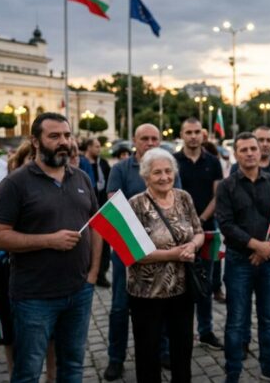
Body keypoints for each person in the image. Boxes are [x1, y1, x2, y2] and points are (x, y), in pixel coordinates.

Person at [0, 112, 103, 383]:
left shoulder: (81, 178)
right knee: (28, 371)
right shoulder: (15, 183)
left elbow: (96, 225)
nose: (63, 142)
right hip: (34, 296)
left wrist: (93, 274)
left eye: (66, 135)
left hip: (79, 292)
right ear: (36, 141)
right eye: (54, 136)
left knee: (72, 366)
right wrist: (49, 240)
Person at [104, 123, 182, 380]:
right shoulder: (120, 169)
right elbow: (115, 209)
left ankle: (162, 351)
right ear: (134, 141)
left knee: (161, 304)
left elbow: (177, 201)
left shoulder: (167, 166)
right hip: (128, 251)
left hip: (164, 253)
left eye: (154, 138)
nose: (150, 142)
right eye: (144, 138)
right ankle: (115, 358)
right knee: (119, 306)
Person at [216, 132, 270, 383]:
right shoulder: (226, 186)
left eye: (253, 148)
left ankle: (268, 367)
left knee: (269, 319)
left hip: (269, 260)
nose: (249, 153)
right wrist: (255, 246)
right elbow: (226, 224)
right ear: (235, 154)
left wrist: (266, 248)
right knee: (236, 321)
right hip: (239, 262)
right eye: (243, 150)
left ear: (260, 152)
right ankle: (233, 371)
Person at [128, 148, 202, 383]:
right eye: (157, 172)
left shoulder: (184, 197)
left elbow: (199, 232)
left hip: (181, 289)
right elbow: (133, 253)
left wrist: (192, 246)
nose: (164, 177)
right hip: (147, 292)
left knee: (182, 350)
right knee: (148, 353)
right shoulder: (135, 205)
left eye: (168, 171)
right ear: (146, 176)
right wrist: (173, 254)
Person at [174, 118, 224, 350]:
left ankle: (206, 331)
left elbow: (218, 196)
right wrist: (187, 224)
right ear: (182, 134)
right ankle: (182, 331)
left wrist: (201, 220)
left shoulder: (213, 161)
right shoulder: (173, 161)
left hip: (208, 228)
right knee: (181, 283)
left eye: (197, 132)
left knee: (205, 282)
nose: (193, 136)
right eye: (188, 132)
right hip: (179, 231)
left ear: (202, 135)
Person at [78, 137, 112, 287]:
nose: (99, 149)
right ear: (89, 147)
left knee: (104, 243)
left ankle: (101, 274)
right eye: (97, 147)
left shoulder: (103, 163)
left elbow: (109, 183)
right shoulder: (83, 164)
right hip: (87, 210)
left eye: (100, 147)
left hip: (103, 207)